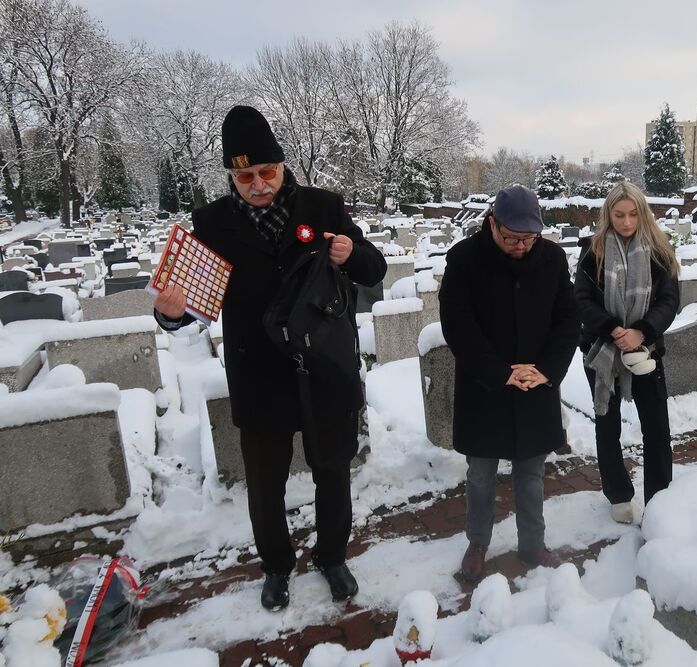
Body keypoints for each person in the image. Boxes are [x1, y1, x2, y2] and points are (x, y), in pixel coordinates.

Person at [152, 106, 386, 611]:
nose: (258, 184)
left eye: (267, 172)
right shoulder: (210, 224)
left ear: (282, 165)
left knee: (333, 472)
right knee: (264, 486)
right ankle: (277, 566)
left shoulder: (323, 208)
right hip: (258, 375)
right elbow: (192, 309)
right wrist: (170, 314)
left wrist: (352, 253)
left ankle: (331, 555)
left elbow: (373, 270)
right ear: (231, 176)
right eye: (244, 176)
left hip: (323, 370)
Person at [439, 184, 579, 582]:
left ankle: (532, 543)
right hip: (486, 389)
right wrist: (501, 372)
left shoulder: (551, 259)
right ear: (492, 225)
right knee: (481, 474)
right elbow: (458, 325)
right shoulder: (465, 260)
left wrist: (547, 369)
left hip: (535, 387)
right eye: (512, 238)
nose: (521, 246)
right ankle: (478, 543)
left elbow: (567, 319)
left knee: (531, 474)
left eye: (528, 238)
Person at [574, 182, 680, 524]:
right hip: (603, 349)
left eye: (633, 214)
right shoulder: (593, 251)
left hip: (646, 349)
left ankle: (660, 498)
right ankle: (618, 493)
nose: (626, 222)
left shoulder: (660, 250)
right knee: (607, 425)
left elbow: (669, 300)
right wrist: (612, 329)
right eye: (618, 215)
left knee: (657, 427)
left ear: (643, 212)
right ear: (608, 215)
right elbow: (581, 299)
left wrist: (642, 331)